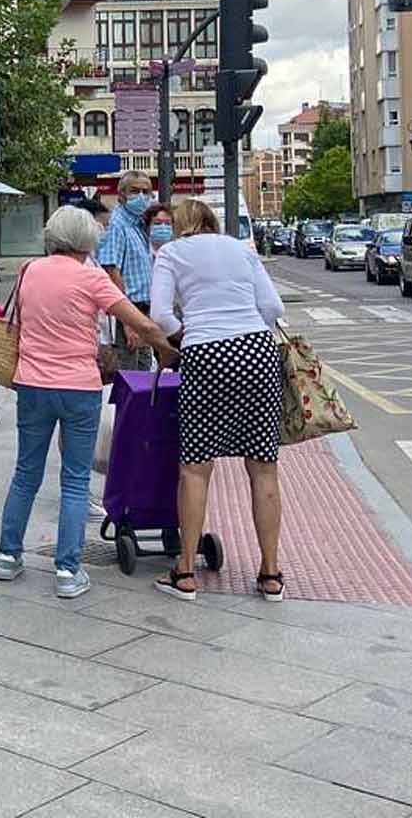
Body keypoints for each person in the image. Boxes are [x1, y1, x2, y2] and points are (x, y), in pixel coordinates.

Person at [0, 207, 175, 597]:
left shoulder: (29, 270)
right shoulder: (92, 278)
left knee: (26, 471)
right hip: (78, 386)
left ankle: (8, 557)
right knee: (75, 480)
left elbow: (21, 322)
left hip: (31, 384)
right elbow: (139, 322)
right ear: (87, 240)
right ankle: (67, 570)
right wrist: (166, 347)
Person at [148, 197, 287, 602]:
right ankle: (271, 574)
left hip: (205, 353)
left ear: (179, 225)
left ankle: (186, 571)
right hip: (257, 352)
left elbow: (160, 314)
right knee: (263, 467)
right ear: (210, 221)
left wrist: (188, 334)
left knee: (195, 467)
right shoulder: (241, 249)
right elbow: (273, 306)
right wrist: (245, 333)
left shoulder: (171, 253)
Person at [97, 171, 156, 370]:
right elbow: (110, 271)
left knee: (143, 373)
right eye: (135, 191)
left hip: (142, 311)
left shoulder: (138, 224)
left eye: (146, 192)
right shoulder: (117, 225)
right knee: (130, 378)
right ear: (121, 194)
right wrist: (127, 322)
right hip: (128, 311)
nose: (141, 196)